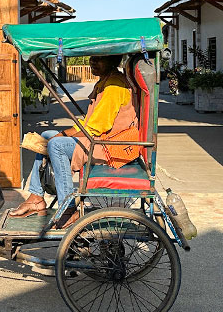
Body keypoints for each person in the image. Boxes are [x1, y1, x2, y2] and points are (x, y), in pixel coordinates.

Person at [9, 55, 137, 228]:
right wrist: (61, 133)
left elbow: (95, 128)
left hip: (110, 145)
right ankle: (36, 198)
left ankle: (68, 208)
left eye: (100, 58)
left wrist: (61, 136)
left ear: (113, 61)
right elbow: (88, 122)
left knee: (56, 145)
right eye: (93, 57)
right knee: (47, 135)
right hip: (99, 138)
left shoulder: (114, 86)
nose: (93, 61)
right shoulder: (105, 82)